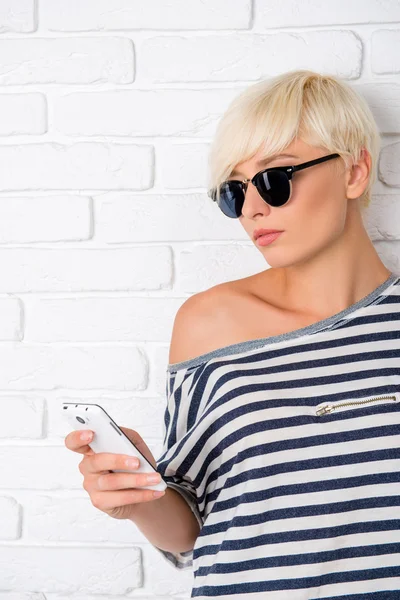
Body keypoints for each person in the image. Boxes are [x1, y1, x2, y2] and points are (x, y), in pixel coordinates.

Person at [65, 69, 400, 598]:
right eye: (233, 191)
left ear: (355, 172)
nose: (252, 208)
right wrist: (139, 498)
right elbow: (190, 532)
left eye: (274, 179)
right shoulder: (210, 322)